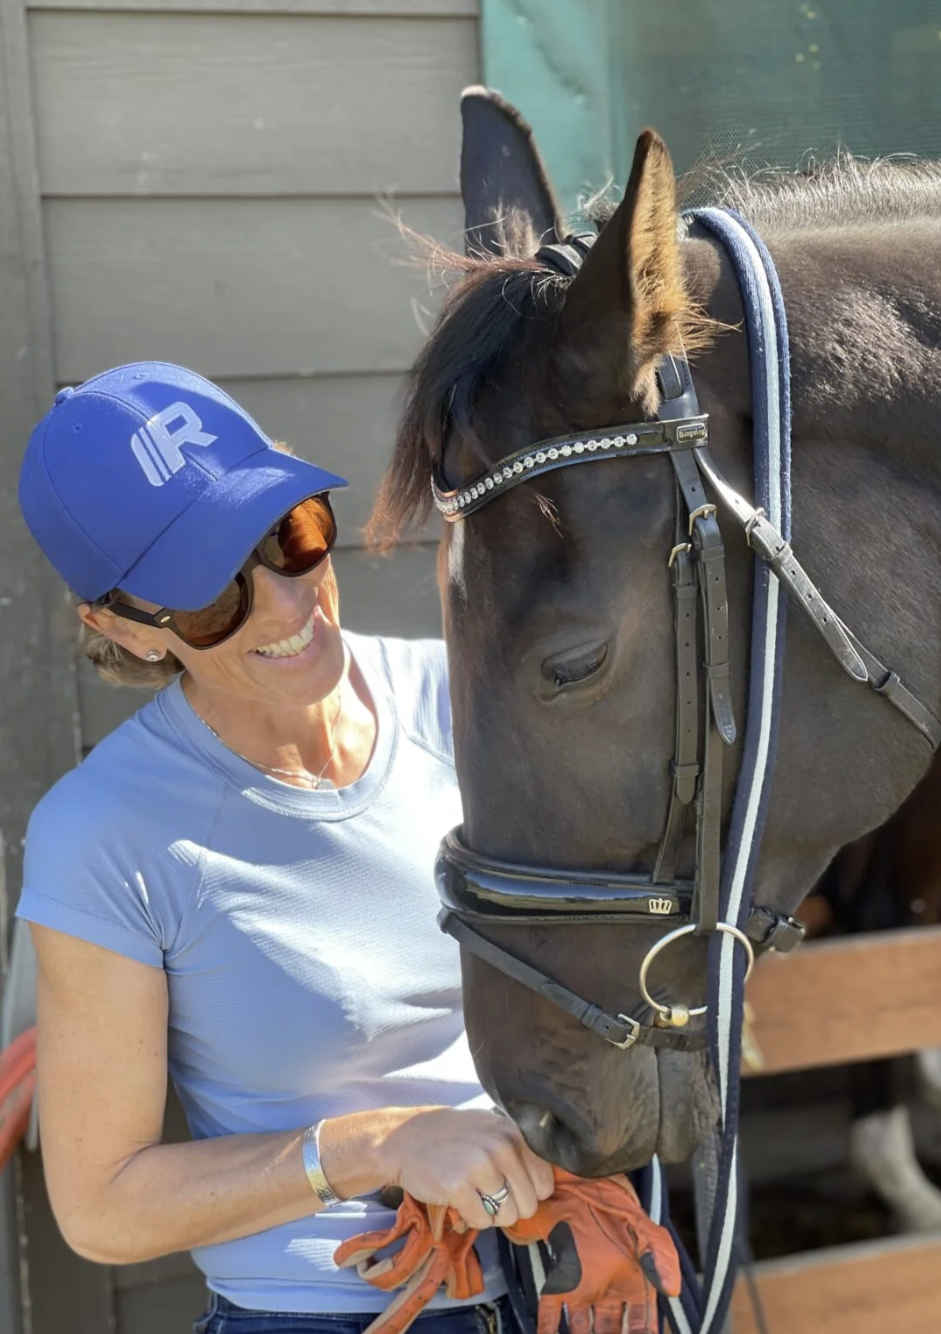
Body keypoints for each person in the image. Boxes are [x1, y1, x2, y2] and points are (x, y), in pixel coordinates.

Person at [15, 362, 554, 1334]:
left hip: (564, 1278)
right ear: (124, 630)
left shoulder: (463, 695)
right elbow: (101, 1205)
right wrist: (383, 1144)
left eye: (287, 535)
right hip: (331, 1316)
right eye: (210, 594)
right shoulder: (105, 830)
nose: (284, 602)